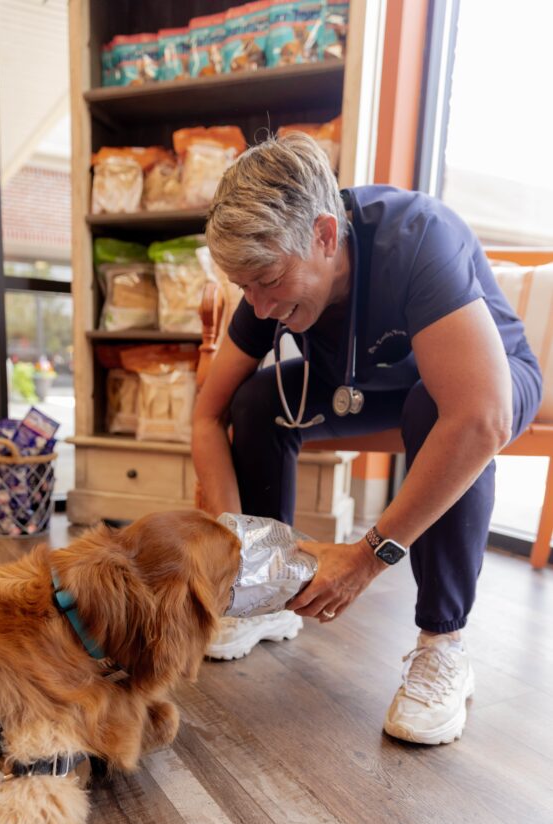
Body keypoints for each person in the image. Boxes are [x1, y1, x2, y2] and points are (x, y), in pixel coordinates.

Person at [192, 132, 543, 746]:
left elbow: (480, 417)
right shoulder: (265, 278)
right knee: (253, 400)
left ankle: (444, 642)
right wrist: (233, 548)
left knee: (438, 407)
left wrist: (365, 558)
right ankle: (271, 594)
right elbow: (207, 415)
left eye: (268, 281)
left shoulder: (419, 237)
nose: (259, 304)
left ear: (325, 235)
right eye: (244, 287)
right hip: (369, 384)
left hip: (485, 383)